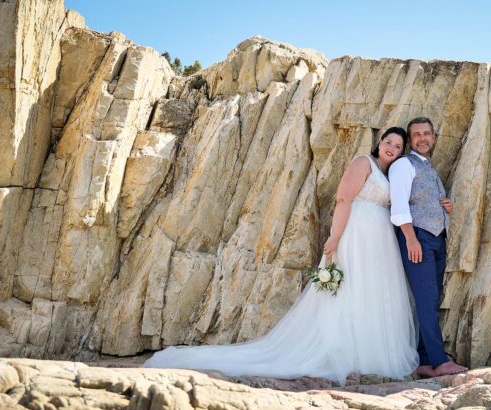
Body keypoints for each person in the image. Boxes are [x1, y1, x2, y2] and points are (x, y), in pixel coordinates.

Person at [143, 128, 419, 385]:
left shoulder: (391, 174)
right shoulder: (363, 163)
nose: (392, 148)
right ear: (379, 142)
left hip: (379, 243)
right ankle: (342, 351)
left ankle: (367, 351)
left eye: (398, 145)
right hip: (356, 235)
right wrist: (335, 237)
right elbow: (343, 199)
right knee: (347, 292)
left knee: (369, 293)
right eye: (388, 142)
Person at [389, 117, 468, 377]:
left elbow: (419, 198)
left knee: (431, 300)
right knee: (425, 299)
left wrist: (443, 204)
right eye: (416, 135)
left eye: (427, 134)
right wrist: (411, 239)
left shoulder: (429, 168)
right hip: (418, 239)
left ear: (433, 137)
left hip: (436, 239)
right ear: (410, 140)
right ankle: (439, 360)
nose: (422, 138)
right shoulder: (403, 165)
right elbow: (399, 207)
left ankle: (425, 361)